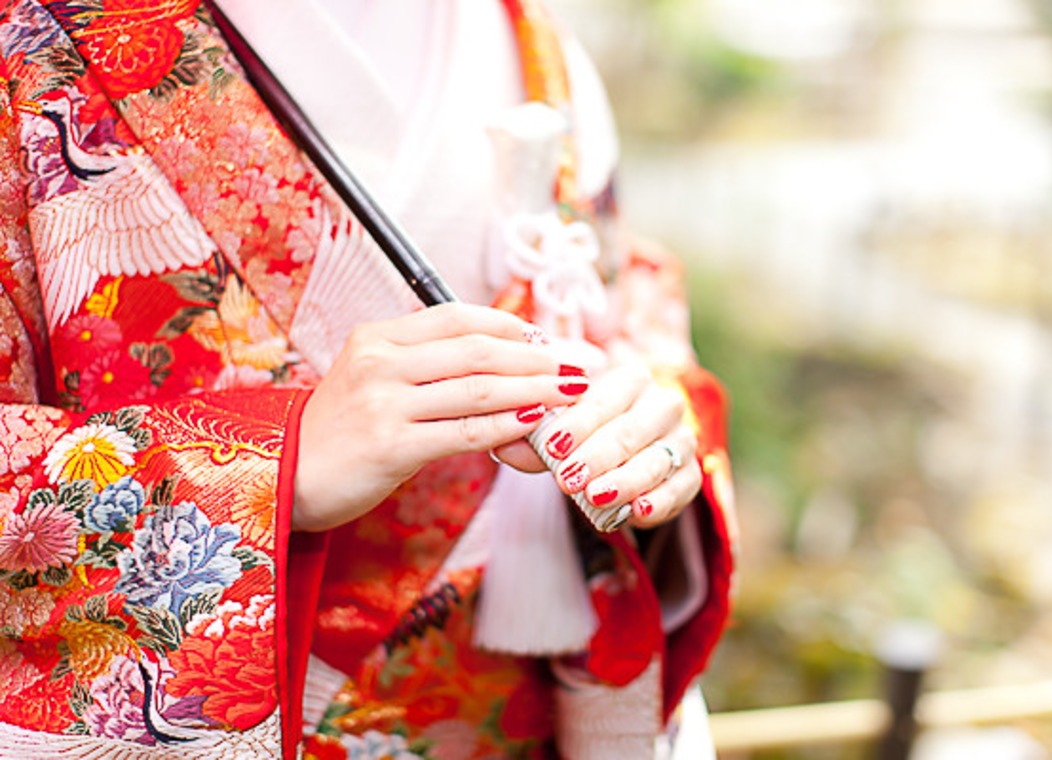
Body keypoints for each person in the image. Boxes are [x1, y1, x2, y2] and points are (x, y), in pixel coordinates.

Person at [0, 0, 736, 757]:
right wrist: (257, 471)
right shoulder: (32, 42)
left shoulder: (540, 45)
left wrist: (643, 427)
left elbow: (630, 324)